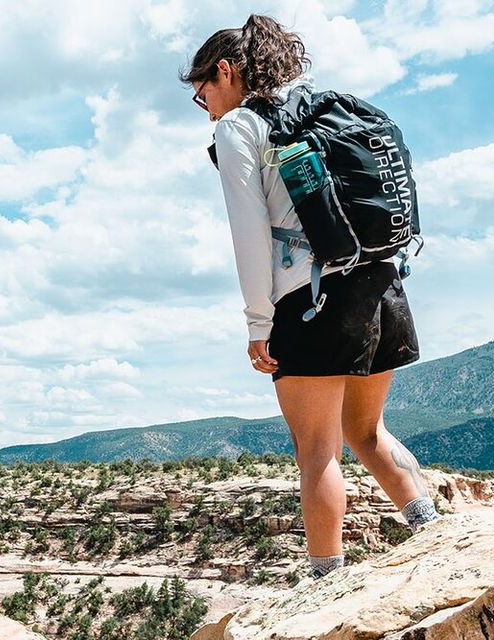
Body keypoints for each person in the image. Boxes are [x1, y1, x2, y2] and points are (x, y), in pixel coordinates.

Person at [184, 14, 441, 582]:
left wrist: (259, 322)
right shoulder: (320, 110)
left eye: (202, 94)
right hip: (381, 283)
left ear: (225, 71)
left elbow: (249, 235)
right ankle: (437, 533)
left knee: (317, 448)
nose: (206, 109)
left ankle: (326, 580)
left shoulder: (240, 127)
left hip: (311, 299)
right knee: (367, 431)